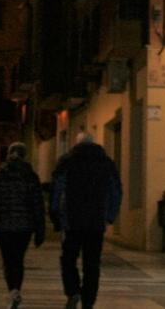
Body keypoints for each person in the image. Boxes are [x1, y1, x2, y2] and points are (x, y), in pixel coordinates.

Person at [50, 131, 122, 309]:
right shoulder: (107, 163)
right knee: (92, 263)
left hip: (72, 220)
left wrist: (55, 214)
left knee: (68, 259)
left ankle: (73, 291)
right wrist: (110, 216)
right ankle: (89, 300)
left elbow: (57, 189)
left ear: (77, 144)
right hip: (96, 221)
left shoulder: (67, 161)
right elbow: (116, 191)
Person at [0, 142, 46, 309]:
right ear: (25, 155)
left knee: (8, 259)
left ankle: (13, 291)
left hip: (4, 226)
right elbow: (37, 205)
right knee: (18, 259)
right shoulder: (30, 176)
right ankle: (16, 289)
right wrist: (40, 230)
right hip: (24, 227)